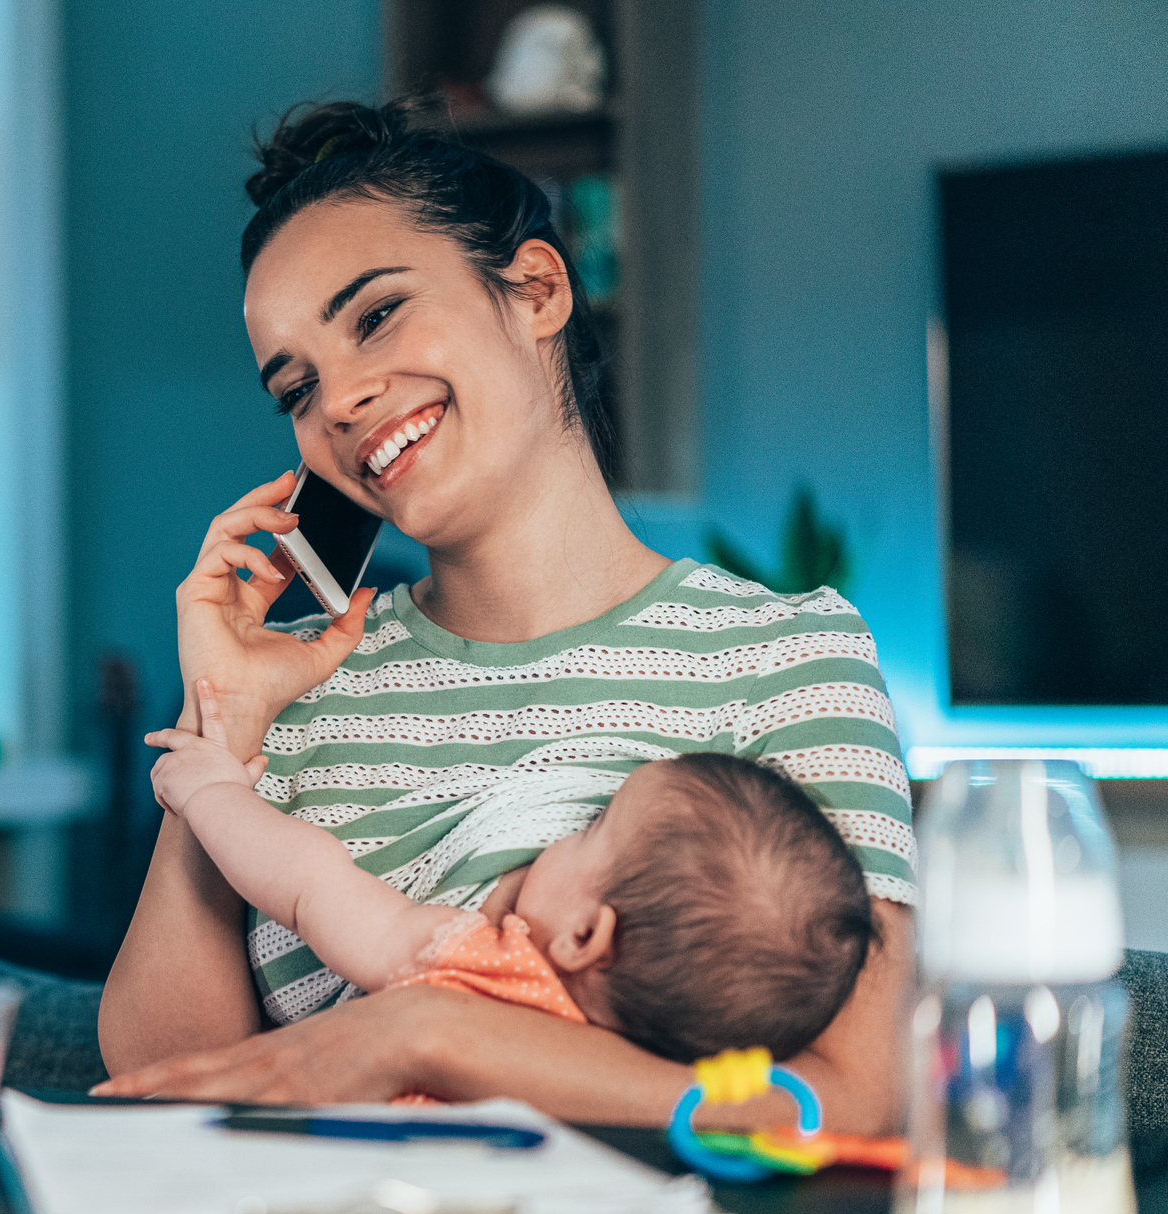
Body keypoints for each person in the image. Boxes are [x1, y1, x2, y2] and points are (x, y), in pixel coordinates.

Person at [91, 94, 918, 1136]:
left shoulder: (787, 654)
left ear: (534, 288)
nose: (337, 402)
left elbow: (851, 1096)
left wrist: (426, 1033)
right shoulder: (288, 686)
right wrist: (224, 717)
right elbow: (169, 1085)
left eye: (376, 316)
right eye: (295, 387)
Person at [143, 679, 875, 1067]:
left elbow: (312, 886)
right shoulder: (618, 1070)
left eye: (590, 828)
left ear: (585, 935)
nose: (565, 828)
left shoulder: (487, 967)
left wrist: (212, 793)